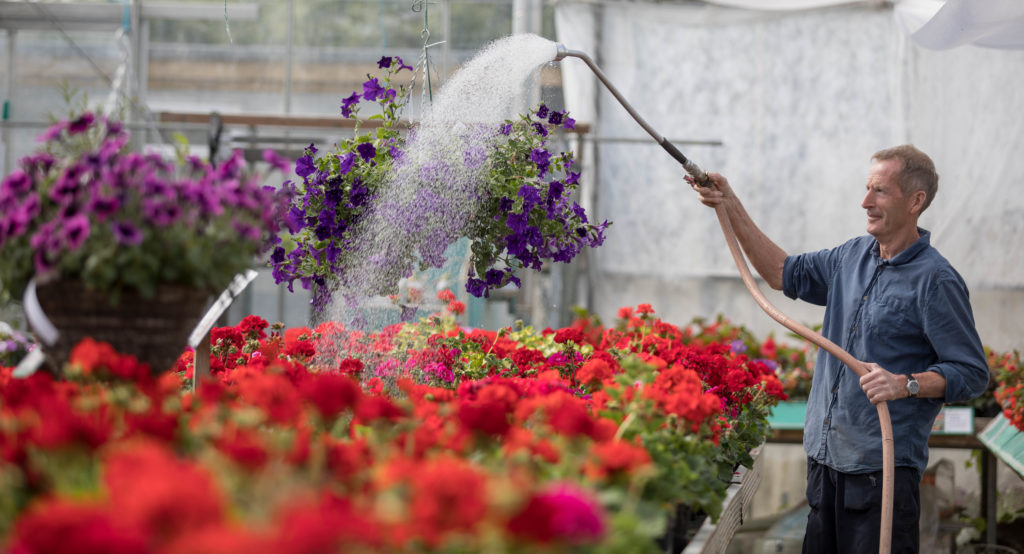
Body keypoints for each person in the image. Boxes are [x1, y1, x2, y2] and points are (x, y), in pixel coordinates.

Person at [690, 145, 990, 554]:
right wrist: (729, 203)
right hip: (824, 461)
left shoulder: (935, 280)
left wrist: (905, 384)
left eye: (880, 191)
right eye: (867, 188)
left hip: (880, 474)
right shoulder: (850, 257)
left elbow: (971, 372)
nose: (865, 201)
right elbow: (780, 272)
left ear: (915, 201)